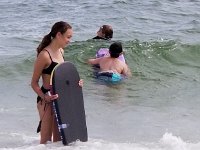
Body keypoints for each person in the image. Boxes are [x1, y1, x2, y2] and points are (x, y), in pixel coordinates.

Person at [31, 21, 83, 144]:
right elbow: (33, 83)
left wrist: (77, 83)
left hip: (61, 99)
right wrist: (44, 97)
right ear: (59, 35)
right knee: (46, 141)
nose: (70, 40)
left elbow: (62, 77)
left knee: (60, 140)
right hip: (47, 100)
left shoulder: (61, 52)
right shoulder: (44, 55)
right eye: (68, 37)